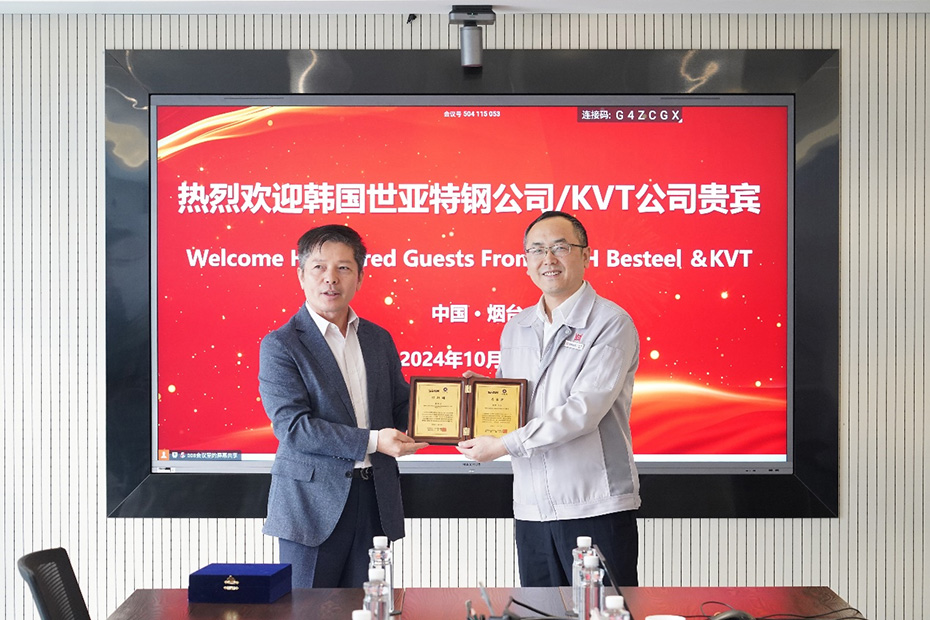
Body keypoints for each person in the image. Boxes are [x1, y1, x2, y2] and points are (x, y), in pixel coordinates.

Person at [457, 211, 641, 587]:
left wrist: (504, 444)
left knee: (601, 611)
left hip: (594, 505)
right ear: (526, 261)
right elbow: (523, 401)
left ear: (585, 255)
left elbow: (583, 411)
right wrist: (484, 395)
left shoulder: (610, 323)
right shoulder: (517, 326)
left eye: (560, 247)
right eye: (537, 250)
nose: (548, 259)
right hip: (532, 508)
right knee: (538, 611)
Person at [259, 224, 427, 588]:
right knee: (307, 611)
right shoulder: (281, 345)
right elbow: (293, 428)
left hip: (374, 499)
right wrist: (373, 441)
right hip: (311, 507)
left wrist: (460, 405)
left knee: (370, 605)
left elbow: (400, 406)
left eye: (344, 268)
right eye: (319, 267)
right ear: (301, 275)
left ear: (360, 278)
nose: (330, 278)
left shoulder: (377, 338)